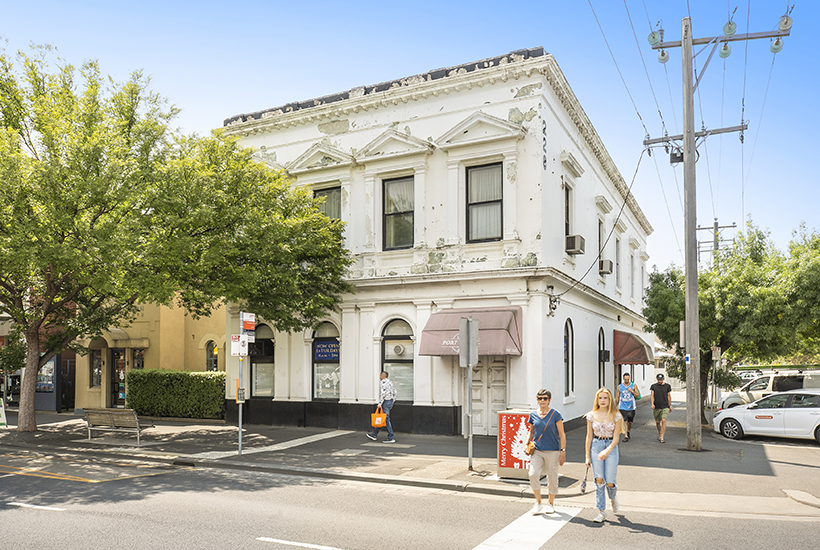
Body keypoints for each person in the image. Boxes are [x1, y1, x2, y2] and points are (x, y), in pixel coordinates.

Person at [585, 387, 624, 523]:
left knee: (610, 481)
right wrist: (587, 456)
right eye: (600, 398)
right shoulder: (591, 415)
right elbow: (589, 437)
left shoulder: (616, 415)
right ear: (597, 399)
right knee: (599, 479)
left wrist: (607, 450)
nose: (602, 400)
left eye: (605, 398)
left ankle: (613, 497)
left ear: (610, 400)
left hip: (611, 448)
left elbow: (616, 438)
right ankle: (601, 511)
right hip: (596, 446)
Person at [526, 389, 566, 515]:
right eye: (539, 398)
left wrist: (562, 451)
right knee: (533, 474)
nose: (542, 401)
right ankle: (538, 502)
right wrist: (526, 443)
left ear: (549, 400)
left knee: (552, 477)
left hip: (552, 451)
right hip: (537, 450)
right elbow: (531, 431)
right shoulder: (533, 414)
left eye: (545, 398)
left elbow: (562, 434)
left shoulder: (555, 414)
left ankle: (550, 503)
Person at [367, 371, 397, 443]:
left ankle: (391, 437)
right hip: (389, 401)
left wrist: (380, 403)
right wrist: (392, 401)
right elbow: (395, 392)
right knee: (381, 418)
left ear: (382, 376)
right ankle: (374, 434)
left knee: (386, 419)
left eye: (380, 375)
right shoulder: (390, 382)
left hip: (385, 401)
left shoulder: (383, 382)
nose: (379, 377)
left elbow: (383, 393)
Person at [616, 373, 640, 441]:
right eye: (625, 379)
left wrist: (632, 391)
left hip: (631, 407)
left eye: (628, 379)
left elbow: (637, 396)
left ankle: (628, 431)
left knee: (630, 421)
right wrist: (615, 406)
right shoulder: (619, 386)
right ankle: (625, 435)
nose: (626, 380)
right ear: (623, 379)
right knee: (625, 420)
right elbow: (617, 396)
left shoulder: (633, 385)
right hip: (622, 406)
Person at [650, 373, 673, 443]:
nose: (659, 381)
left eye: (661, 379)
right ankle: (660, 433)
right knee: (657, 422)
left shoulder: (667, 386)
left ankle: (662, 437)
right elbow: (652, 396)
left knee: (663, 420)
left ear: (663, 379)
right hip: (657, 406)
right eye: (658, 379)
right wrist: (652, 404)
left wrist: (670, 405)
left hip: (665, 406)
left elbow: (668, 396)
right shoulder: (653, 386)